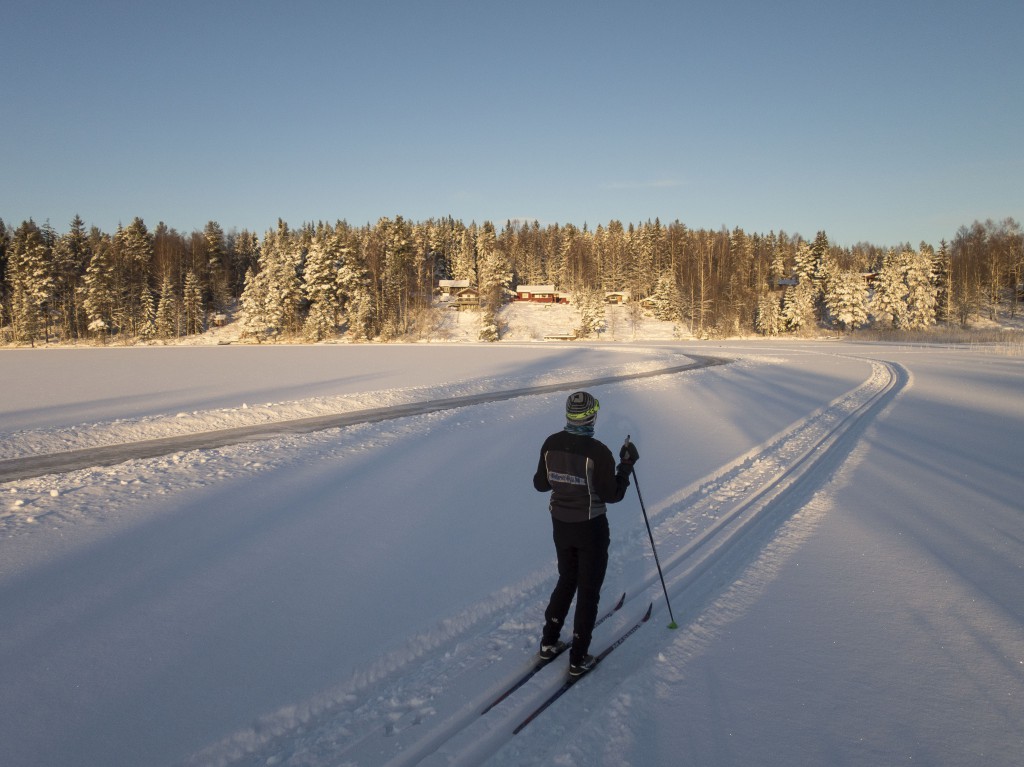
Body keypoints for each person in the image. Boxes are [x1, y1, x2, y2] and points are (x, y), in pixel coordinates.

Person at [533, 391, 639, 676]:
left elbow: (540, 485)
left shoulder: (550, 443)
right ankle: (578, 658)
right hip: (590, 527)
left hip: (561, 525)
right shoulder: (598, 451)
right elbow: (613, 494)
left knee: (567, 579)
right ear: (591, 415)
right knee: (588, 590)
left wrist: (563, 477)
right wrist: (626, 467)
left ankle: (548, 642)